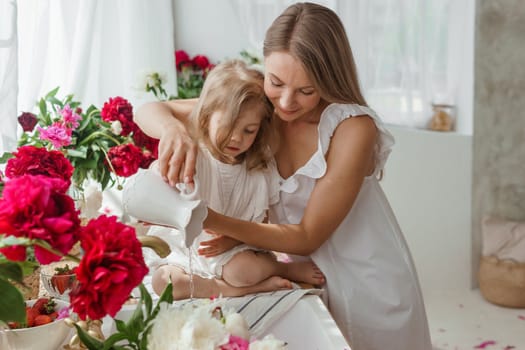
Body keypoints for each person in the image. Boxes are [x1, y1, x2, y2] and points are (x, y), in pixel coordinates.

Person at [134, 3, 432, 350]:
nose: (286, 103)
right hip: (304, 276)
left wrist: (216, 222)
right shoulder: (257, 109)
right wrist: (173, 130)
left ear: (328, 79)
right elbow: (150, 110)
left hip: (369, 280)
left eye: (307, 90)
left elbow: (307, 236)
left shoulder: (352, 128)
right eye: (276, 82)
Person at [141, 59, 325, 300]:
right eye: (228, 126)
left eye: (249, 130)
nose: (237, 138)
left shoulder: (259, 168)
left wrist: (232, 240)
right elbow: (160, 191)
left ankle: (282, 268)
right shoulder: (195, 157)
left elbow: (265, 219)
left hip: (233, 252)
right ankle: (232, 290)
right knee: (163, 284)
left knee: (243, 272)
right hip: (186, 252)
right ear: (207, 117)